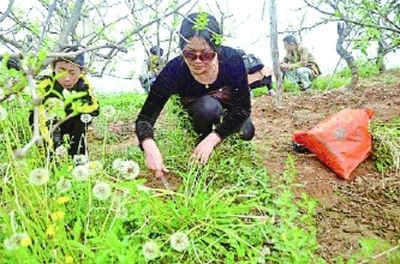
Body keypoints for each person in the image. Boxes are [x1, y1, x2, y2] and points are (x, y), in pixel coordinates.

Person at [135, 12, 255, 178]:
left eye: (206, 55)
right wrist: (149, 146)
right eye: (190, 54)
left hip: (229, 110)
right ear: (181, 50)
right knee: (208, 107)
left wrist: (214, 138)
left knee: (246, 131)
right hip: (198, 112)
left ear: (216, 50)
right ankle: (200, 139)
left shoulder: (231, 60)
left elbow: (243, 108)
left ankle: (216, 140)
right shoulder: (174, 70)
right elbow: (145, 117)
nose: (198, 61)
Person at [29, 47, 99, 157]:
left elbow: (95, 108)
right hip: (48, 122)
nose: (66, 78)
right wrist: (57, 145)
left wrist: (72, 108)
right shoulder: (45, 84)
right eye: (61, 71)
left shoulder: (83, 83)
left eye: (72, 72)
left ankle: (78, 155)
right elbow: (42, 119)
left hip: (70, 119)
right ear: (53, 68)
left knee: (83, 117)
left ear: (81, 72)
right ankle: (49, 154)